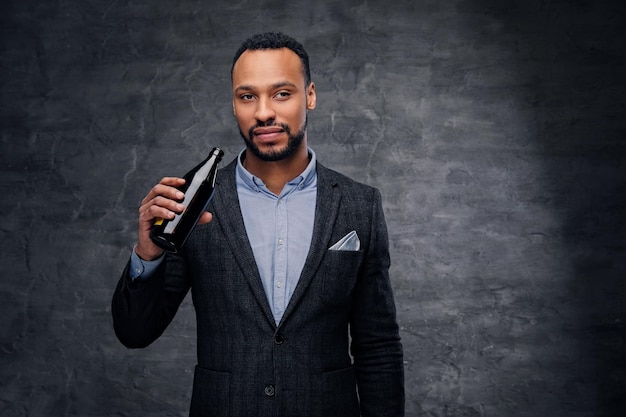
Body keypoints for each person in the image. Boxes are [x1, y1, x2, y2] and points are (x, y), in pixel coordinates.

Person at [112, 31, 405, 417]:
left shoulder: (358, 205)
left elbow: (377, 345)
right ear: (234, 105)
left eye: (282, 93)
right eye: (247, 96)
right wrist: (148, 254)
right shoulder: (193, 201)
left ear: (310, 96)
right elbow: (135, 333)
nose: (263, 112)